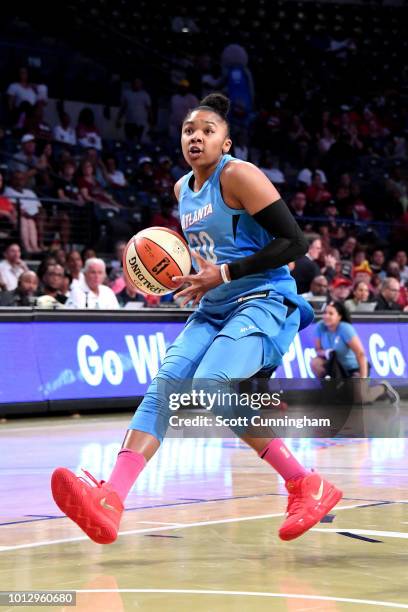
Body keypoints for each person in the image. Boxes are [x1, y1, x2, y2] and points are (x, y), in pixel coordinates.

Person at [51, 93, 342, 546]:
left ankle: (305, 482)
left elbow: (295, 242)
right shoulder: (181, 189)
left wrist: (224, 273)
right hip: (213, 305)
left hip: (263, 299)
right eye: (190, 130)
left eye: (208, 130)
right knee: (164, 383)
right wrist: (187, 278)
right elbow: (210, 252)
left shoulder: (240, 174)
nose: (197, 136)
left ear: (225, 143)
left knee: (210, 383)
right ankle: (110, 499)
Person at [311, 301, 398, 403]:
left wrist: (363, 379)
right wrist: (326, 353)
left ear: (339, 316)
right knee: (315, 362)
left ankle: (383, 388)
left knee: (360, 399)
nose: (326, 316)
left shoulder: (345, 328)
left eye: (331, 313)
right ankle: (329, 391)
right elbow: (317, 350)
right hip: (336, 367)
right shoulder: (319, 327)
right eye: (325, 313)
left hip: (354, 368)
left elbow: (360, 354)